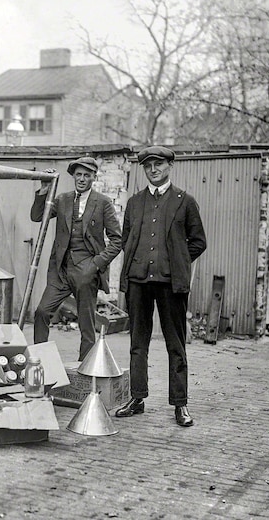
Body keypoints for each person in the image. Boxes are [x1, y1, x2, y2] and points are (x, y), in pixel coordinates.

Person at [115, 146, 207, 427]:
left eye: (158, 164)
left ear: (169, 166)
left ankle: (180, 405)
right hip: (138, 282)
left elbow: (198, 241)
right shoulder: (134, 202)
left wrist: (177, 261)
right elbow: (126, 238)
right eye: (148, 166)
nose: (153, 170)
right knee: (137, 344)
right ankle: (137, 398)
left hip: (170, 284)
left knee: (175, 345)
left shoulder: (185, 201)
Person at [31, 157, 122, 361]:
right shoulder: (63, 199)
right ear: (73, 176)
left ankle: (85, 371)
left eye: (86, 175)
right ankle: (40, 362)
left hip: (86, 271)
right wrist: (44, 189)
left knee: (87, 325)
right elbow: (38, 216)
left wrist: (96, 264)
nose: (82, 179)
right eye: (78, 175)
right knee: (42, 312)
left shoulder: (103, 203)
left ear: (93, 178)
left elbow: (117, 240)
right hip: (60, 271)